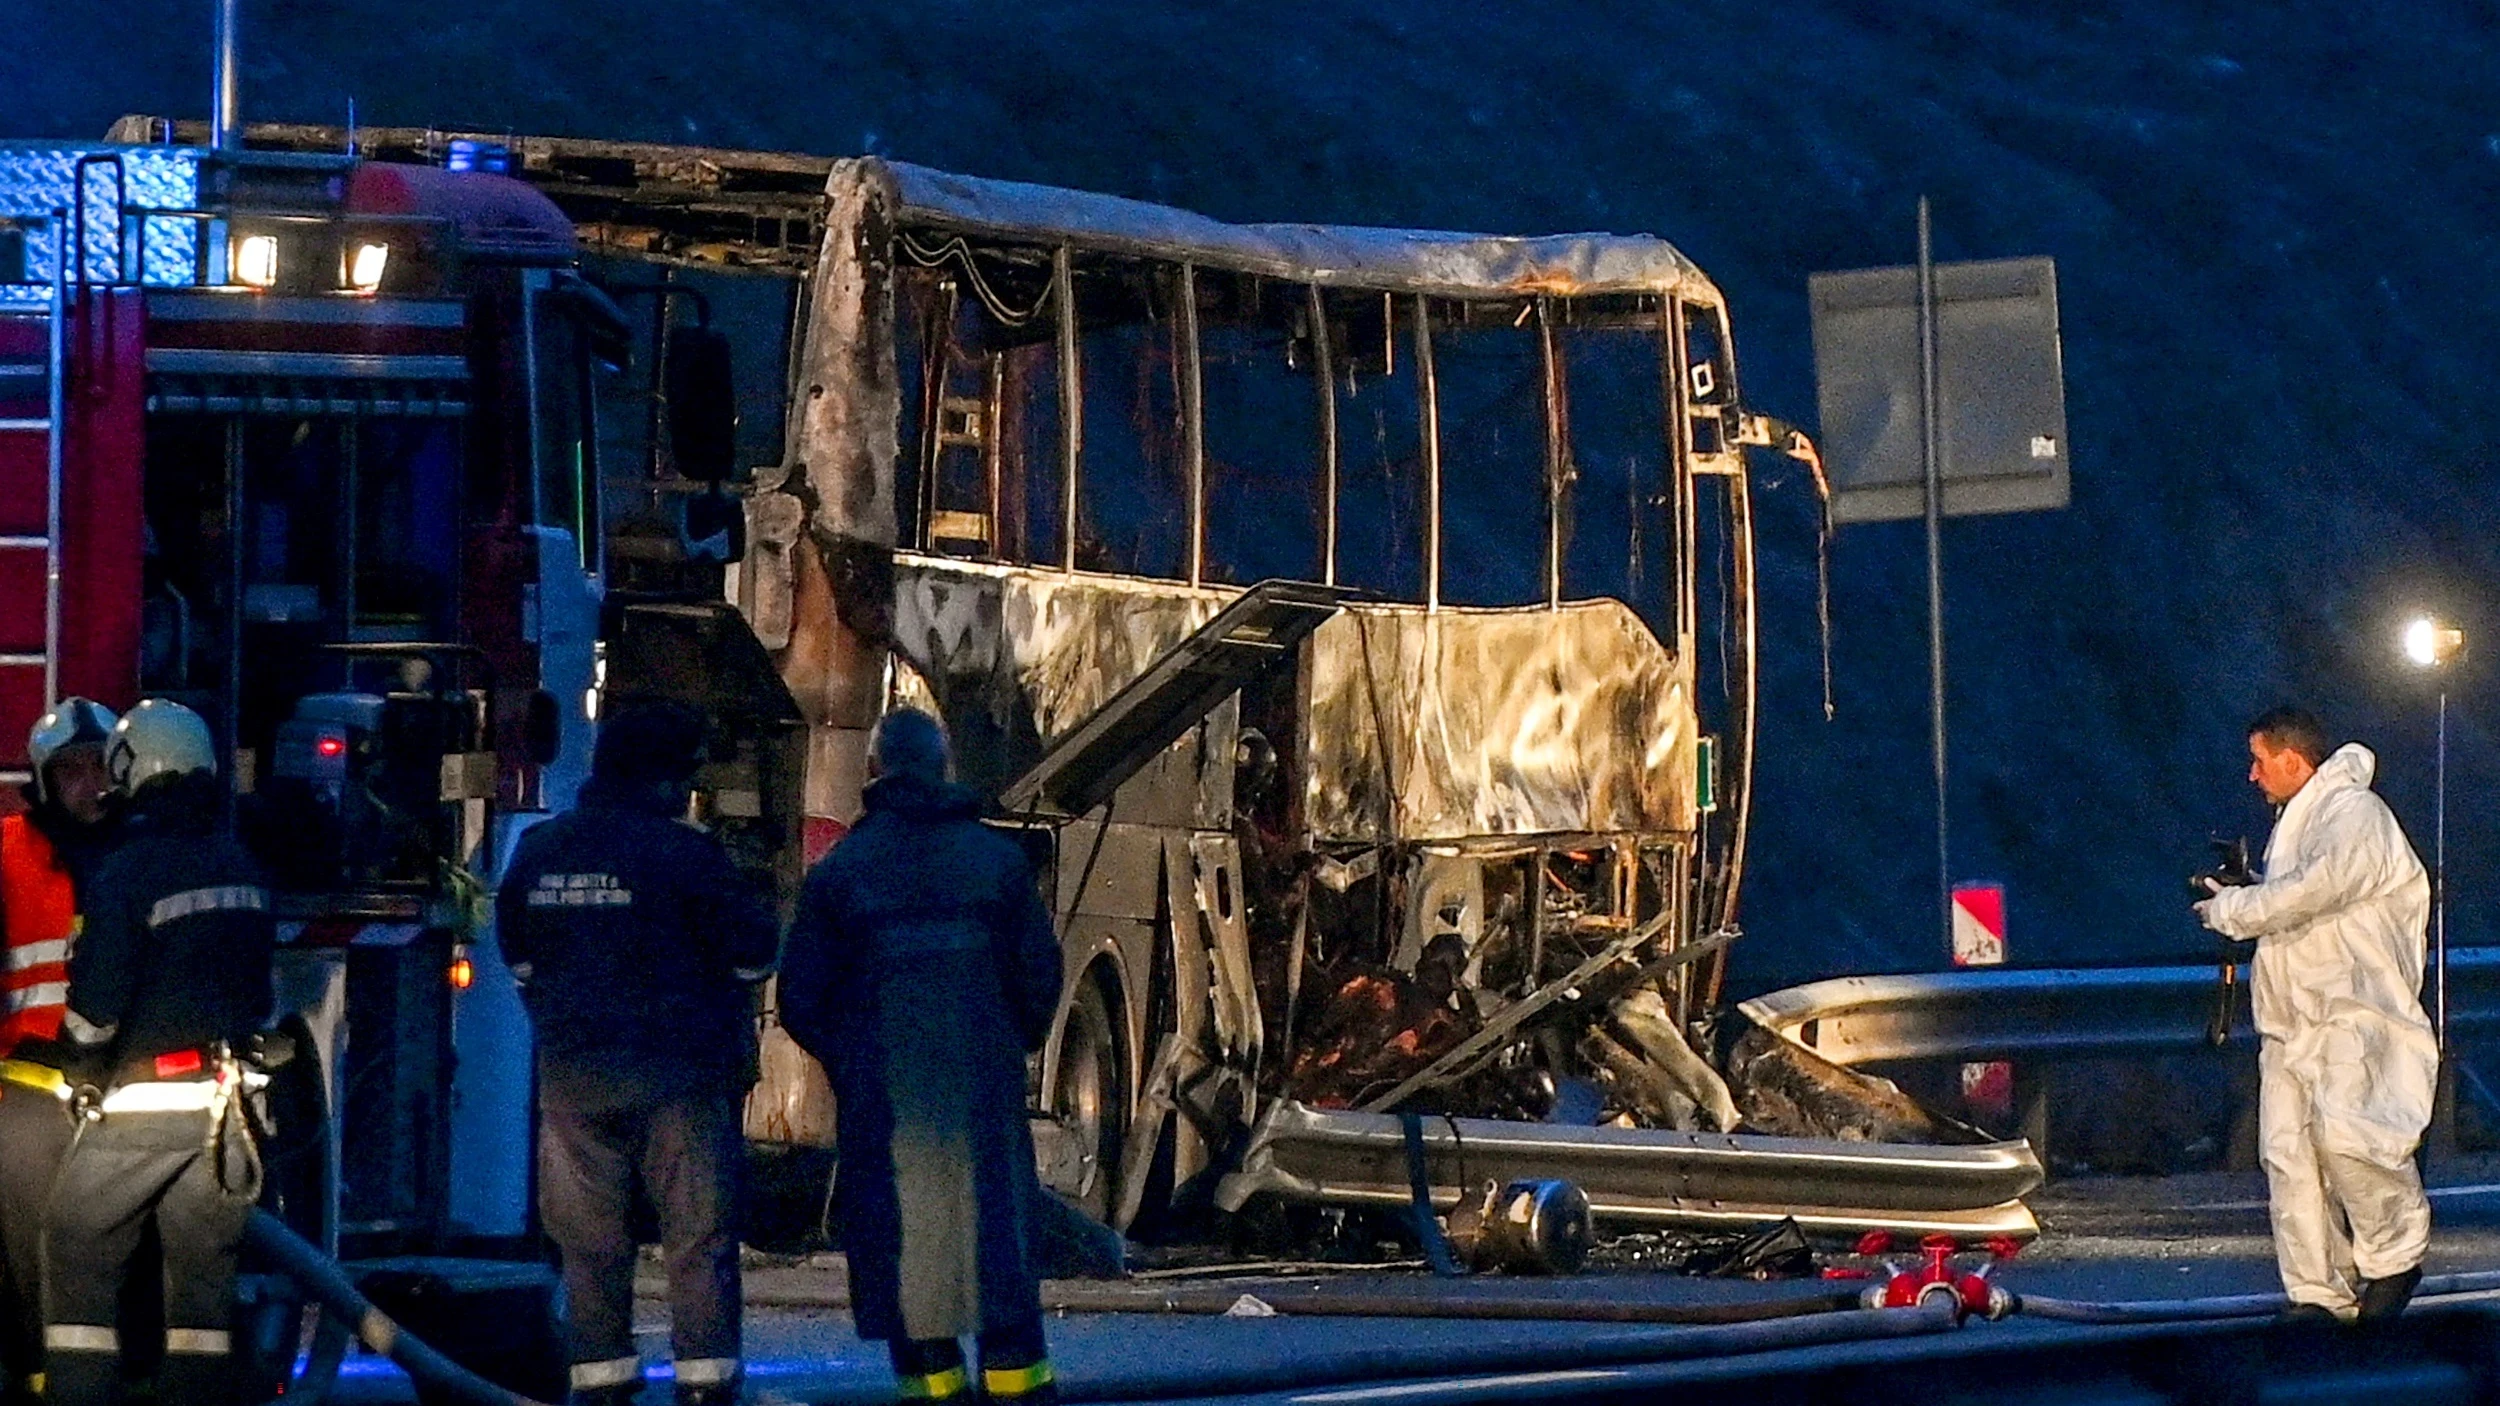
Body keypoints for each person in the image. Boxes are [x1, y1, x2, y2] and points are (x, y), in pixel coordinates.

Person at [497, 700, 777, 1406]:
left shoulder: (540, 852)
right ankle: (705, 1385)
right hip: (678, 1080)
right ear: (664, 780)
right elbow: (753, 955)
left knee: (588, 1249)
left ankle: (599, 1384)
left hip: (574, 1082)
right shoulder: (688, 856)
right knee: (698, 1241)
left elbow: (520, 959)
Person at [779, 709, 1063, 1405]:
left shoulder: (842, 872)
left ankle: (936, 1393)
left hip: (886, 1108)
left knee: (908, 1275)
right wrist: (1003, 1050)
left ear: (874, 771)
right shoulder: (997, 862)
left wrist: (853, 1064)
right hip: (982, 1108)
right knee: (999, 1269)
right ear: (944, 769)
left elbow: (802, 998)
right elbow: (1039, 979)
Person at [43, 699, 276, 1406]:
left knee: (76, 1244)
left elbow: (96, 1009)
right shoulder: (241, 863)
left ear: (135, 765)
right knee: (201, 1302)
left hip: (142, 1109)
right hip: (229, 1120)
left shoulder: (131, 871)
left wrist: (78, 1075)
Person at [2196, 706, 2436, 1323]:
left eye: (2259, 760)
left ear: (2292, 759)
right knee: (2290, 1156)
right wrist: (2245, 892)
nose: (2253, 775)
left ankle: (2393, 1261)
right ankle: (2317, 1294)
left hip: (2354, 1014)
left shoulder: (2354, 813)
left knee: (2356, 1142)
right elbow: (2300, 899)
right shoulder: (2299, 825)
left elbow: (2317, 889)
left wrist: (2237, 910)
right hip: (2293, 1024)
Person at [0, 700, 117, 1403]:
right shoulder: (7, 851)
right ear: (44, 779)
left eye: (100, 767)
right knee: (25, 1249)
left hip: (123, 1090)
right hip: (25, 1088)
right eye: (70, 771)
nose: (88, 785)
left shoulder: (141, 854)